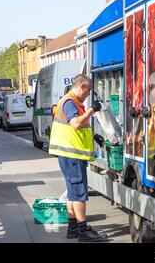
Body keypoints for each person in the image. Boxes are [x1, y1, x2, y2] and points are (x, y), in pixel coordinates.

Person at [49, 74, 107, 242]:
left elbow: (76, 126)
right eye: (88, 90)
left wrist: (93, 135)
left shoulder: (70, 102)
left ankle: (73, 228)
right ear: (82, 86)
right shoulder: (70, 102)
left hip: (68, 155)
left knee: (72, 193)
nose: (88, 94)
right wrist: (92, 110)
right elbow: (75, 124)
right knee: (79, 193)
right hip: (72, 155)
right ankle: (83, 230)